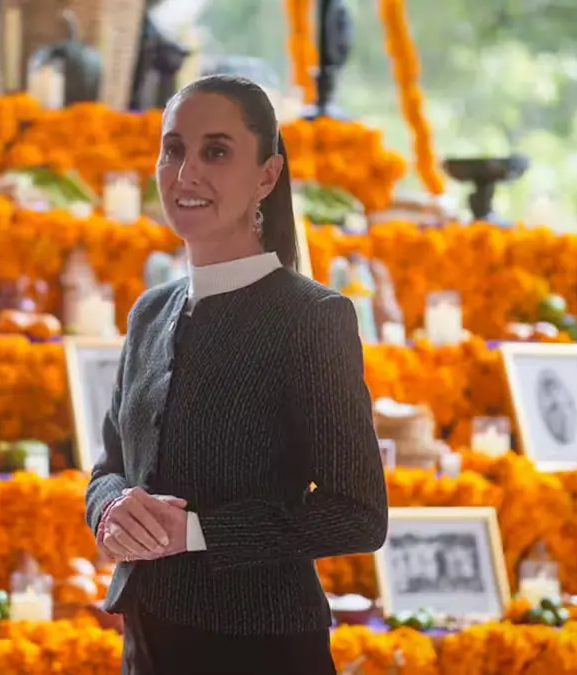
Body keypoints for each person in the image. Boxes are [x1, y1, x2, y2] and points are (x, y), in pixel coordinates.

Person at [84, 75, 389, 675]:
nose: (185, 171)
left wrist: (195, 531)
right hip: (146, 644)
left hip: (259, 650)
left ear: (267, 176)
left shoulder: (313, 318)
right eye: (173, 149)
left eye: (215, 152)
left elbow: (358, 513)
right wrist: (111, 508)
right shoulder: (150, 311)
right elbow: (108, 466)